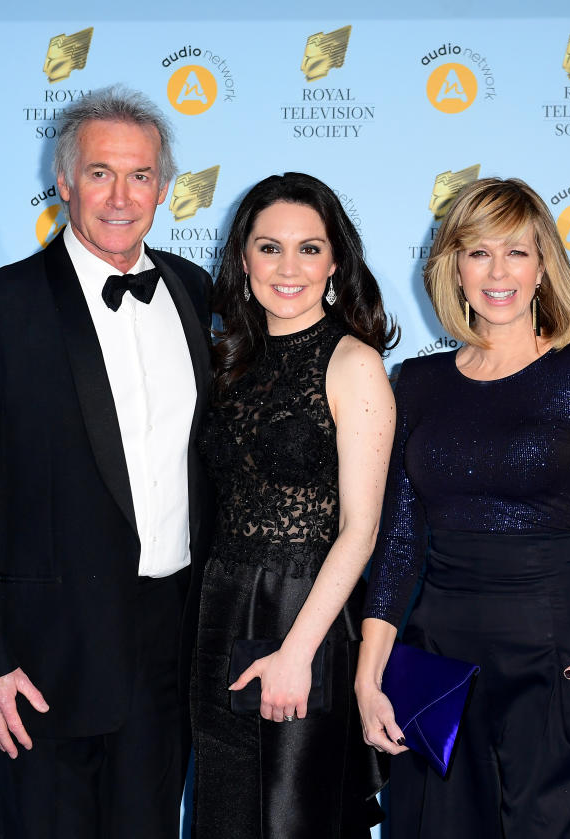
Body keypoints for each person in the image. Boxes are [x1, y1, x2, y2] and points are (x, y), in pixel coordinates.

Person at [0, 85, 211, 838]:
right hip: (40, 663)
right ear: (64, 182)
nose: (121, 196)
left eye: (141, 174)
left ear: (164, 186)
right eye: (101, 173)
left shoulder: (196, 293)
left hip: (168, 653)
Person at [356, 177, 570, 837]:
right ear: (453, 266)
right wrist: (369, 680)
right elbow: (398, 542)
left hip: (556, 653)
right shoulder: (419, 382)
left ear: (544, 266)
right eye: (478, 252)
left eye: (516, 251)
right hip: (438, 661)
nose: (498, 271)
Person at [191, 172, 396, 837]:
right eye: (269, 246)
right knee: (227, 816)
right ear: (242, 257)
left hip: (306, 616)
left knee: (293, 818)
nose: (288, 267)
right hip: (221, 611)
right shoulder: (227, 360)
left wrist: (296, 651)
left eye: (309, 248)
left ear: (335, 260)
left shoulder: (353, 362)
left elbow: (361, 531)